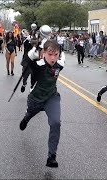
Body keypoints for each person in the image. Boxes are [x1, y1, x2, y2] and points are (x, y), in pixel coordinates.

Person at [19, 39, 65, 168]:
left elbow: (60, 59)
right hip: (36, 99)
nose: (53, 58)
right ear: (43, 53)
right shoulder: (37, 65)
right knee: (30, 114)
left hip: (51, 97)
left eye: (55, 54)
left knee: (56, 123)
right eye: (50, 54)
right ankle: (26, 118)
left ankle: (51, 156)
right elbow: (27, 62)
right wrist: (32, 53)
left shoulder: (60, 63)